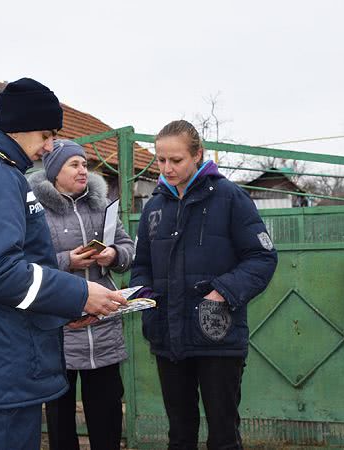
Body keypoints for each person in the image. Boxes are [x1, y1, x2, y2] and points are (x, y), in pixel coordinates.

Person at [0, 78, 124, 450]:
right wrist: (80, 293)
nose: (49, 146)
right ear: (19, 126)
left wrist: (63, 308)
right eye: (46, 134)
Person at [130, 120, 278, 450]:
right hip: (168, 336)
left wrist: (223, 292)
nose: (167, 168)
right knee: (179, 435)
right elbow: (142, 265)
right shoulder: (154, 207)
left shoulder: (230, 197)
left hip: (218, 336)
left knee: (223, 436)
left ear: (198, 154)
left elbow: (262, 257)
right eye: (161, 159)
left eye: (176, 160)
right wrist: (144, 298)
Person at [28, 139, 134, 450]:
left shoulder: (100, 206)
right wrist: (67, 261)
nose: (82, 170)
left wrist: (112, 255)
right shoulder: (36, 212)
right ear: (54, 172)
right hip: (60, 330)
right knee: (60, 418)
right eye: (74, 164)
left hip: (103, 327)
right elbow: (27, 265)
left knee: (108, 414)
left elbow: (129, 248)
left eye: (85, 164)